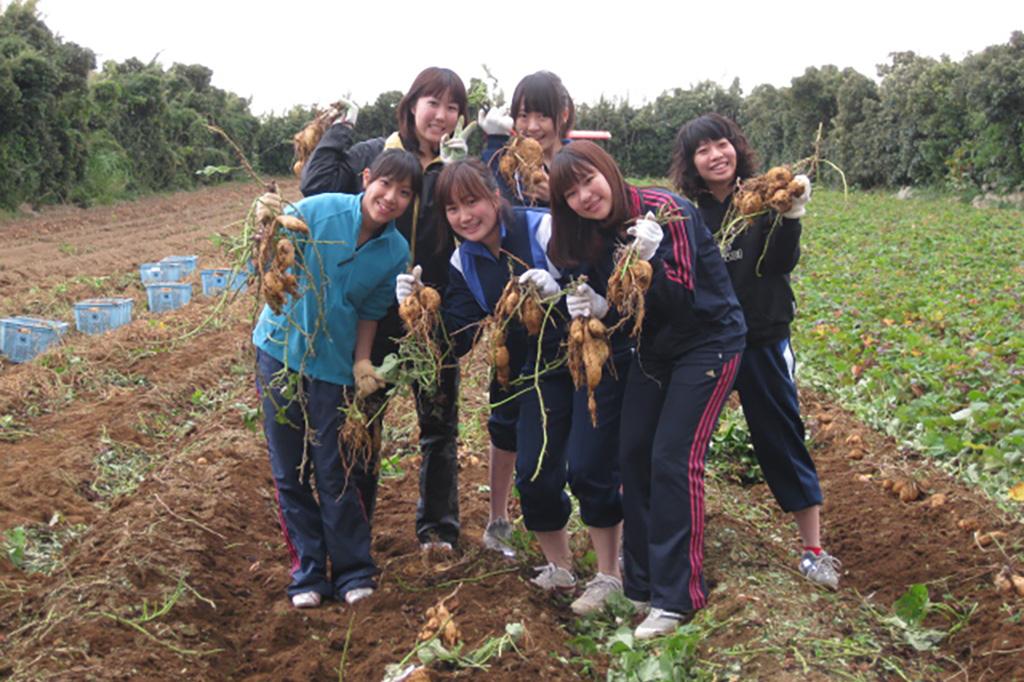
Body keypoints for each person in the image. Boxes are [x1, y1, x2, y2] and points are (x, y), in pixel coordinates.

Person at [548, 141, 747, 638]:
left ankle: (678, 596)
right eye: (571, 192)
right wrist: (595, 305)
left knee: (672, 460)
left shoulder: (667, 213)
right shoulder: (593, 234)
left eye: (588, 180)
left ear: (609, 172)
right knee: (633, 453)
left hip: (709, 341)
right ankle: (640, 585)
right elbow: (623, 311)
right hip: (654, 350)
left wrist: (651, 262)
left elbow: (679, 301)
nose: (584, 196)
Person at [300, 67, 469, 551]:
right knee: (362, 424)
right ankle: (355, 528)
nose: (441, 115)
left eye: (453, 107)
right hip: (371, 324)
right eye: (433, 103)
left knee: (439, 427)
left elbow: (486, 220)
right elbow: (316, 186)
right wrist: (339, 130)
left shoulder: (454, 165)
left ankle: (438, 530)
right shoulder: (374, 154)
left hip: (431, 321)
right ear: (412, 105)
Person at [671, 113, 839, 590]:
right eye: (702, 151)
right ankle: (681, 540)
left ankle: (813, 550)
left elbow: (781, 263)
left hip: (764, 338)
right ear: (692, 164)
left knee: (780, 437)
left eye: (720, 144)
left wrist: (790, 218)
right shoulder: (689, 214)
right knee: (683, 442)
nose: (714, 155)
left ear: (735, 147)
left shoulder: (764, 200)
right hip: (710, 343)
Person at [253, 150, 420, 608]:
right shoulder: (317, 210)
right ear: (367, 179)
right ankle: (307, 572)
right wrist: (266, 226)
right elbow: (269, 260)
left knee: (337, 468)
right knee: (289, 469)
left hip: (333, 367)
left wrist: (362, 363)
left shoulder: (395, 250)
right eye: (385, 185)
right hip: (280, 353)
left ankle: (351, 570)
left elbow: (369, 312)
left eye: (404, 194)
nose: (391, 198)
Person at [396, 158, 554, 558]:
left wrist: (562, 292)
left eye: (472, 202)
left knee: (571, 457)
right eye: (452, 209)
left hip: (564, 354)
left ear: (496, 197)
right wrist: (418, 311)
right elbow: (457, 338)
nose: (464, 217)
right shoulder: (462, 261)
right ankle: (500, 522)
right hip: (512, 355)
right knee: (504, 429)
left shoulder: (541, 229)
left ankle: (606, 545)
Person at [478, 71, 575, 207]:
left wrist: (555, 198)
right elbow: (494, 202)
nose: (532, 127)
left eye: (543, 116)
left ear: (564, 115)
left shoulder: (580, 165)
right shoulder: (509, 163)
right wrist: (495, 140)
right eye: (523, 115)